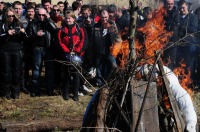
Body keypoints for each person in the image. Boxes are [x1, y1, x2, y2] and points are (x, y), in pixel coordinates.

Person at [57, 10, 86, 101]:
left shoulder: (79, 29)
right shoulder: (61, 30)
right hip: (66, 55)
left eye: (69, 18)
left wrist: (77, 51)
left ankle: (75, 93)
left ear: (73, 19)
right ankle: (65, 93)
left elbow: (82, 41)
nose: (68, 20)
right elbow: (60, 42)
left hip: (77, 55)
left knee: (76, 75)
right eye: (66, 18)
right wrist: (67, 51)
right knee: (66, 74)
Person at [29, 8, 57, 96]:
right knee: (37, 70)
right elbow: (28, 37)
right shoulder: (33, 23)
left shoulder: (48, 22)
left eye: (43, 15)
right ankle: (35, 90)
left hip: (48, 49)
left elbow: (55, 30)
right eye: (39, 15)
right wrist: (36, 35)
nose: (41, 17)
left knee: (49, 70)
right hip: (37, 48)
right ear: (37, 15)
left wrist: (48, 19)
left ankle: (49, 90)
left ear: (46, 14)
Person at [0, 7, 27, 99]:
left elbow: (26, 38)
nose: (11, 18)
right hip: (5, 50)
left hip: (17, 50)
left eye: (12, 16)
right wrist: (7, 33)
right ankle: (6, 91)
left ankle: (15, 91)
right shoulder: (2, 24)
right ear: (6, 16)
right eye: (9, 16)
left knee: (16, 72)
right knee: (6, 72)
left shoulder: (19, 24)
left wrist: (22, 32)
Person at [92, 10, 119, 86]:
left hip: (110, 51)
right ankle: (100, 85)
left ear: (108, 16)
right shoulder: (96, 26)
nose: (104, 19)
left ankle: (111, 83)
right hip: (98, 51)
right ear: (99, 17)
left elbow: (117, 39)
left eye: (106, 17)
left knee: (112, 66)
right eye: (102, 17)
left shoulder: (112, 25)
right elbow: (92, 40)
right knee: (99, 68)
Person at [177, 0, 198, 81]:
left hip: (190, 44)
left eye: (183, 8)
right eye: (180, 8)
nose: (182, 10)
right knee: (180, 63)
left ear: (187, 7)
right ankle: (181, 81)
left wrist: (181, 26)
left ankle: (189, 82)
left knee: (189, 65)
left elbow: (193, 29)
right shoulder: (178, 16)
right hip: (180, 44)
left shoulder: (193, 17)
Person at [162, 0, 180, 70]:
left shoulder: (176, 14)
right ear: (165, 4)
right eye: (168, 4)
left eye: (171, 4)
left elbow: (174, 29)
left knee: (169, 62)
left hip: (171, 42)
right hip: (161, 42)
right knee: (162, 61)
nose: (170, 6)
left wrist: (166, 34)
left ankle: (169, 79)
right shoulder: (161, 13)